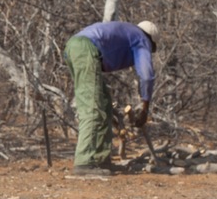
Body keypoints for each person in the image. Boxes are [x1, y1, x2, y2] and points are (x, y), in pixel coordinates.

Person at [63, 20, 160, 176]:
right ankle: (84, 163)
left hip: (75, 47)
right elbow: (147, 76)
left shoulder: (129, 32)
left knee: (104, 105)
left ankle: (101, 160)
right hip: (85, 48)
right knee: (93, 107)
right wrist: (145, 108)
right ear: (151, 40)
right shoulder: (141, 39)